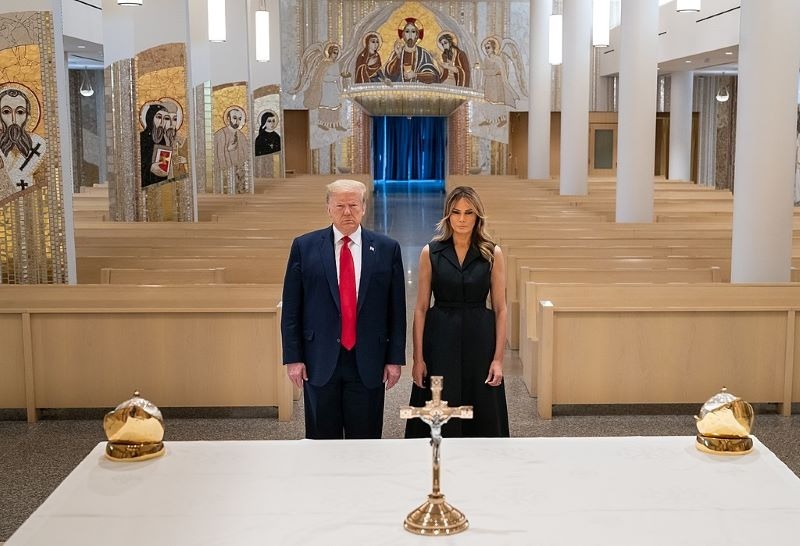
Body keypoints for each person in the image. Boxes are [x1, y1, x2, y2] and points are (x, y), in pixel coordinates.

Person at [281, 179, 406, 439]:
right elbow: (292, 307)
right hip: (320, 357)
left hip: (368, 358)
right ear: (328, 208)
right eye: (339, 206)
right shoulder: (304, 247)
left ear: (363, 207)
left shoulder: (386, 248)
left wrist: (394, 359)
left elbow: (396, 310)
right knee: (322, 438)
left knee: (366, 437)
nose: (347, 212)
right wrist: (293, 358)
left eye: (353, 205)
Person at [405, 186, 509, 438]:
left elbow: (500, 308)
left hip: (479, 338)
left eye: (468, 213)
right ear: (448, 215)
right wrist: (418, 358)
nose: (462, 219)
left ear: (478, 217)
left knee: (480, 406)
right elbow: (420, 309)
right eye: (456, 212)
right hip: (440, 337)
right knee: (440, 404)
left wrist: (497, 359)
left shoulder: (492, 253)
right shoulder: (431, 252)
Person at [0, 87, 47, 193]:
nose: (14, 120)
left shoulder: (38, 144)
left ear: (28, 117)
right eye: (6, 111)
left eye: (20, 112)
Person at [384, 18, 439, 84]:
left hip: (419, 92)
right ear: (403, 35)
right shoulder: (397, 53)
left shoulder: (423, 54)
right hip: (399, 92)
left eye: (413, 31)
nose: (410, 35)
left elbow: (433, 77)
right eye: (407, 31)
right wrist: (398, 56)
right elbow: (389, 75)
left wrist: (415, 75)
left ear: (417, 35)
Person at [213, 106, 250, 193]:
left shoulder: (241, 136)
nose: (237, 121)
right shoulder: (220, 135)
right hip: (225, 172)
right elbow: (217, 155)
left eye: (239, 118)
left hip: (239, 172)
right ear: (228, 118)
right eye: (234, 118)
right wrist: (228, 150)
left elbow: (246, 156)